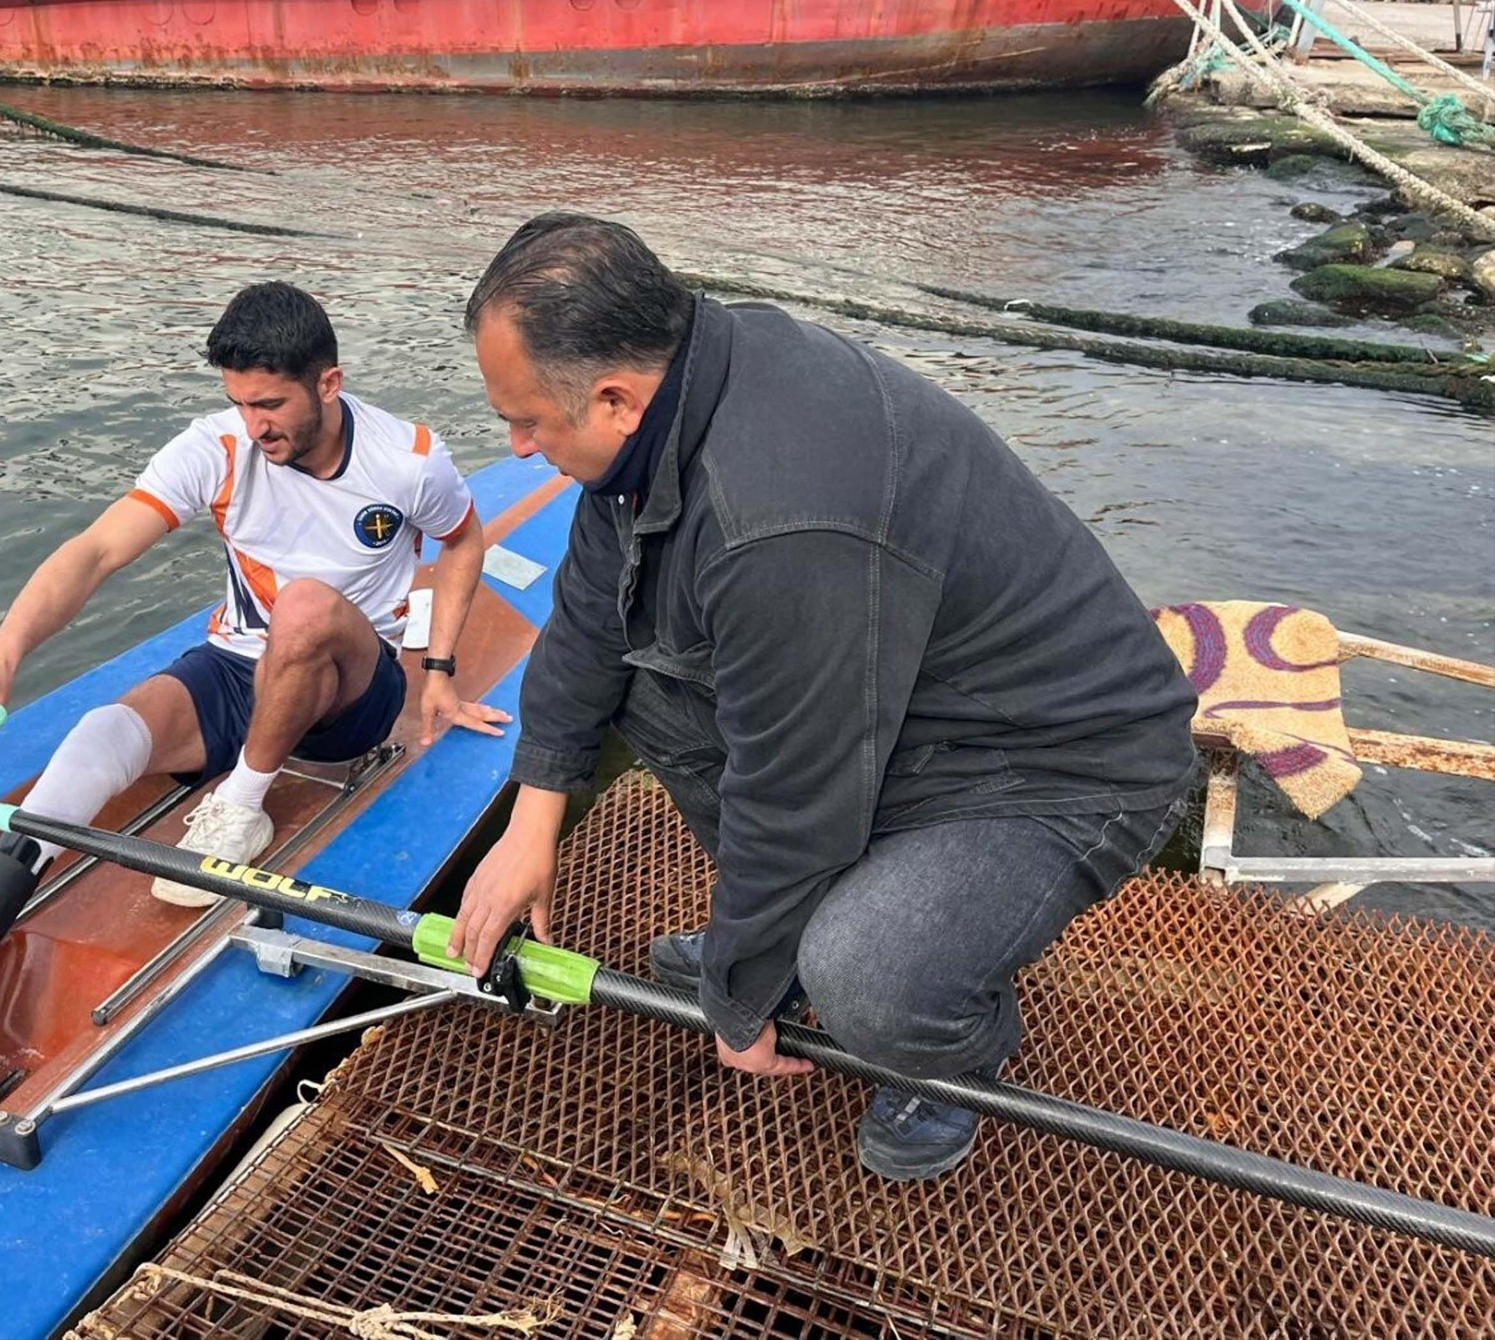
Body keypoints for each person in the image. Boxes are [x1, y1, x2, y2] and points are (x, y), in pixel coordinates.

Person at [447, 214, 1197, 1182]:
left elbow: (796, 788)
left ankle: (951, 1049)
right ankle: (791, 938)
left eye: (529, 423)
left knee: (867, 980)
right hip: (903, 704)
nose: (516, 447)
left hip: (1055, 761)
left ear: (615, 399)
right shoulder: (683, 383)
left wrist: (740, 995)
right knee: (645, 678)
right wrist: (531, 824)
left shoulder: (780, 519)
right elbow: (591, 618)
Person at [0, 281, 508, 1101]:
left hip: (349, 695)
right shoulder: (217, 448)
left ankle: (242, 806)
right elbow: (94, 552)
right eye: (239, 403)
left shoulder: (408, 459)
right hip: (238, 666)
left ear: (328, 385)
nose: (254, 425)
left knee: (304, 605)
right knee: (102, 731)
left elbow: (462, 540)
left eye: (270, 405)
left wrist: (438, 672)